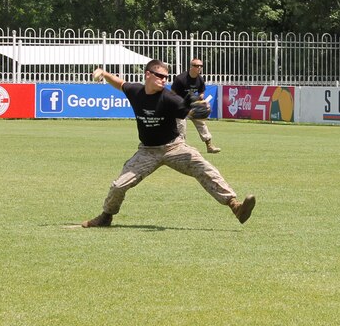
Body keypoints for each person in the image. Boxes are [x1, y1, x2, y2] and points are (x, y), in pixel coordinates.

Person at [82, 60, 255, 227]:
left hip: (174, 147)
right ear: (148, 74)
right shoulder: (135, 91)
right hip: (147, 151)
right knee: (119, 185)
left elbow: (191, 110)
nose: (164, 80)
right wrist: (104, 73)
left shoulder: (170, 97)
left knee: (204, 168)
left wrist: (200, 110)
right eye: (160, 75)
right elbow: (120, 83)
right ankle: (106, 217)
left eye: (166, 76)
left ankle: (235, 206)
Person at [170, 58, 221, 153]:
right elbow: (172, 94)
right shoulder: (181, 79)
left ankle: (209, 146)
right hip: (179, 106)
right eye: (197, 66)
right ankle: (180, 148)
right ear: (191, 67)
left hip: (192, 105)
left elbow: (201, 92)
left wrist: (202, 101)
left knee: (201, 123)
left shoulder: (200, 79)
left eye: (201, 66)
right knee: (181, 127)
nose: (199, 68)